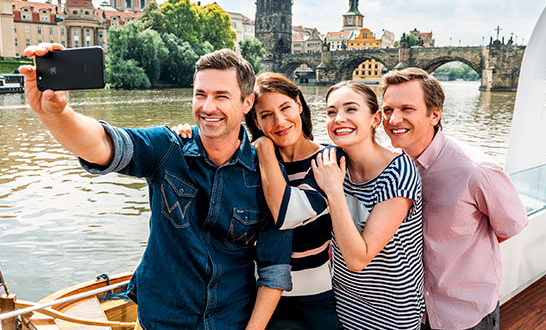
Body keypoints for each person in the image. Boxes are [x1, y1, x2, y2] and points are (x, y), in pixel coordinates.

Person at [18, 44, 293, 330]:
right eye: (200, 95)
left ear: (247, 103)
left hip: (231, 322)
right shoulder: (167, 147)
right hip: (161, 322)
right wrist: (57, 114)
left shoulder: (268, 175)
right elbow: (104, 145)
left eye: (221, 96)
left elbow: (274, 272)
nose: (208, 107)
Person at [174, 72, 342, 329]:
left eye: (285, 108)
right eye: (266, 115)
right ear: (255, 120)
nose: (279, 121)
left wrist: (263, 147)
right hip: (256, 298)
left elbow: (287, 214)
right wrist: (187, 136)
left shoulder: (329, 159)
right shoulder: (249, 162)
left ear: (299, 104)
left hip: (315, 300)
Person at [379, 67, 528, 330]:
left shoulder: (476, 170)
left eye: (407, 109)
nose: (393, 120)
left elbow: (511, 226)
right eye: (388, 110)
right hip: (407, 310)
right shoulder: (388, 166)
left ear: (434, 114)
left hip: (463, 312)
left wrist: (458, 254)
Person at [311, 81, 425, 329]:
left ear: (375, 119)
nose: (339, 118)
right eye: (331, 112)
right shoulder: (333, 163)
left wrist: (333, 190)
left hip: (393, 313)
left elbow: (358, 259)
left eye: (351, 109)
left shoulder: (399, 171)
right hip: (344, 304)